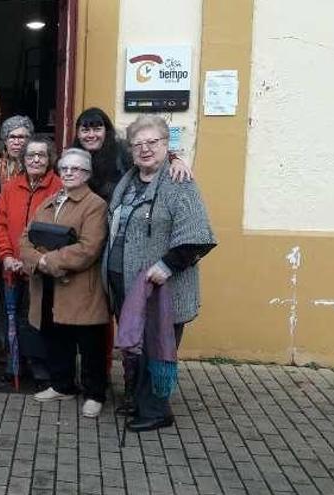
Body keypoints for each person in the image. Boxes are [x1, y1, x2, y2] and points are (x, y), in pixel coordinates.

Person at [104, 115, 216, 432]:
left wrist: (165, 265)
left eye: (152, 142)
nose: (145, 149)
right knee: (138, 348)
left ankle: (157, 412)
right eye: (138, 144)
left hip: (161, 288)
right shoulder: (129, 180)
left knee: (157, 347)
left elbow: (198, 236)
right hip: (127, 283)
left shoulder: (179, 182)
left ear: (167, 145)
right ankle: (140, 402)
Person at [19, 148, 110, 418]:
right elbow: (25, 239)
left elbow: (89, 248)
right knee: (54, 337)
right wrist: (39, 260)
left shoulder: (95, 205)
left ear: (87, 174)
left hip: (80, 289)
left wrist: (48, 261)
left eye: (77, 169)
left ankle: (95, 394)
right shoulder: (49, 201)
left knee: (89, 342)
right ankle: (62, 385)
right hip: (47, 287)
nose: (69, 173)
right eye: (65, 168)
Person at [0, 134, 61, 385]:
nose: (35, 159)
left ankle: (41, 367)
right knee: (13, 318)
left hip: (41, 269)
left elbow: (60, 232)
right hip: (11, 267)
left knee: (40, 319)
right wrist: (6, 255)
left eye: (41, 155)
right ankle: (14, 364)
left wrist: (35, 260)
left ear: (49, 159)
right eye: (30, 155)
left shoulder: (59, 188)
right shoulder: (10, 188)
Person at [72, 107, 192, 202]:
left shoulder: (122, 150)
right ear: (78, 134)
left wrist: (175, 160)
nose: (91, 135)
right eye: (85, 130)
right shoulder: (70, 158)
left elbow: (151, 153)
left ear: (106, 131)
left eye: (97, 129)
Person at [0, 115, 34, 184]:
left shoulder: (35, 166)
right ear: (5, 141)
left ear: (29, 140)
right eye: (12, 137)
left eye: (21, 137)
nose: (16, 142)